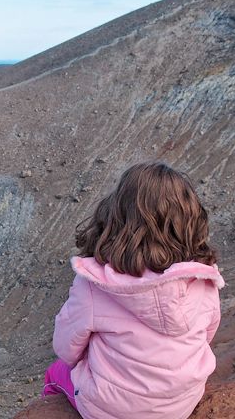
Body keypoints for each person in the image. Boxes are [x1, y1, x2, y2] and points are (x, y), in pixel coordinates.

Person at [42, 162, 224, 418]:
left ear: (116, 218)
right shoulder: (202, 279)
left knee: (55, 373)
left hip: (109, 409)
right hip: (180, 404)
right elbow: (206, 335)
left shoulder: (95, 283)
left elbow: (66, 348)